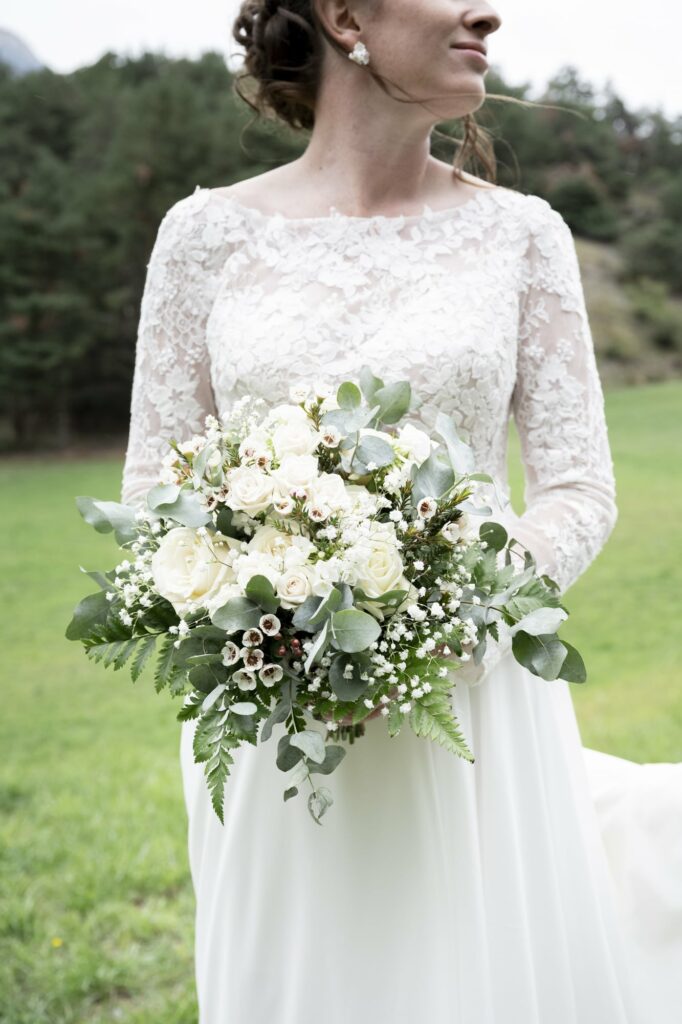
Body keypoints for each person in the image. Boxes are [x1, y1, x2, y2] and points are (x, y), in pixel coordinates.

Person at [120, 2, 681, 1021]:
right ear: (344, 16)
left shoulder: (521, 236)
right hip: (275, 719)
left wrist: (446, 612)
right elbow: (154, 495)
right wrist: (281, 632)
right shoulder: (203, 237)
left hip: (473, 705)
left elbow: (577, 487)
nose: (490, 11)